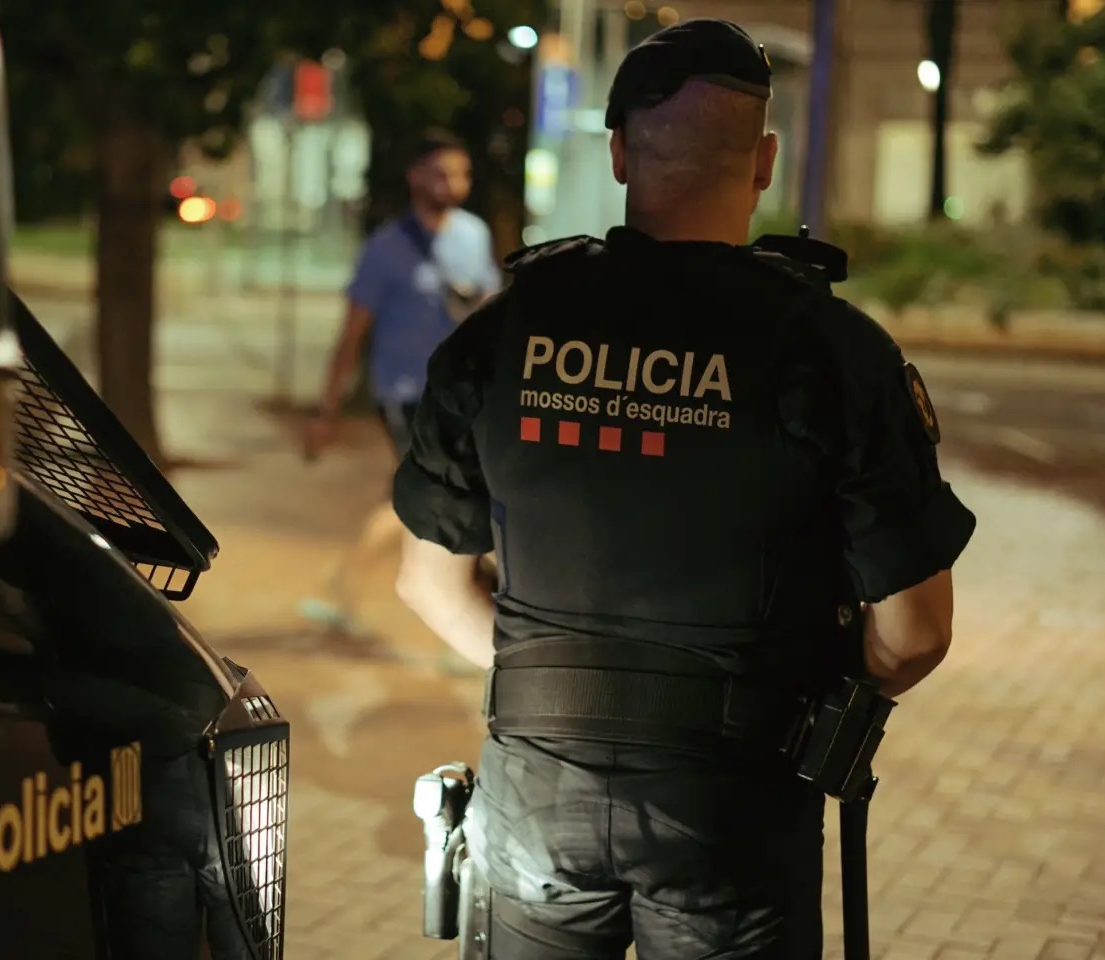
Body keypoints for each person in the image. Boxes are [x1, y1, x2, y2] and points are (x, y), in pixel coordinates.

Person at [390, 18, 976, 960]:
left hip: (538, 796)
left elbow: (427, 581)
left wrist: (557, 692)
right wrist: (798, 701)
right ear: (764, 162)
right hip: (733, 804)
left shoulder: (507, 331)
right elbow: (916, 634)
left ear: (618, 152)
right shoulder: (833, 351)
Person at [300, 129, 503, 634]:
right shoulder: (386, 249)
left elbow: (490, 312)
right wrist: (327, 410)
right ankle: (451, 609)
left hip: (465, 395)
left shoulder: (473, 235)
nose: (453, 183)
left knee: (411, 497)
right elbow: (351, 334)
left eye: (461, 172)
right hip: (407, 395)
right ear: (415, 176)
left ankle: (344, 589)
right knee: (432, 497)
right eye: (441, 172)